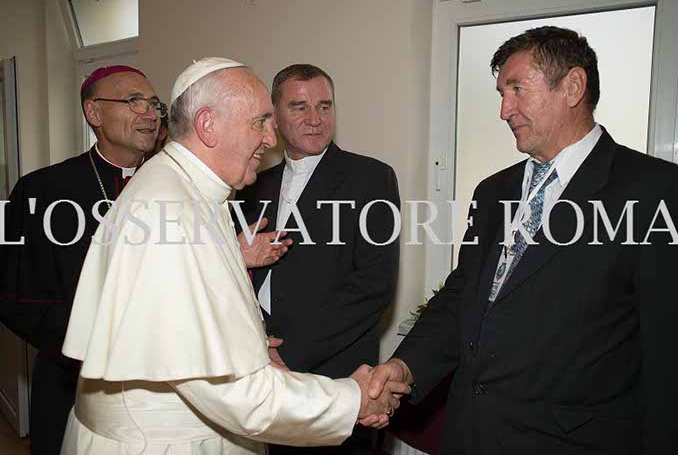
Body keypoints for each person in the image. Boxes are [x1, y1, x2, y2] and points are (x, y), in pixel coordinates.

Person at [368, 26, 678, 454]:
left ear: (573, 87)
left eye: (517, 89)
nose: (504, 110)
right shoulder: (493, 192)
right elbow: (463, 298)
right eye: (501, 93)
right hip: (469, 436)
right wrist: (405, 366)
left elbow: (675, 366)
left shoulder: (662, 193)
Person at [59, 57, 406, 455]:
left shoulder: (189, 190)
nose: (270, 139)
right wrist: (353, 399)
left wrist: (258, 344)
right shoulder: (170, 212)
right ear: (208, 125)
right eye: (260, 122)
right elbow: (236, 394)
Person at [236, 64, 400, 454]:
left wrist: (288, 352)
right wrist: (254, 344)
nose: (315, 119)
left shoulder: (371, 178)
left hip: (333, 373)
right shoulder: (251, 183)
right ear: (274, 116)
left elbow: (373, 284)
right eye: (299, 107)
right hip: (256, 369)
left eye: (324, 106)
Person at [0, 65, 164, 455]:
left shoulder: (176, 185)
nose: (150, 113)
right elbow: (14, 296)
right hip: (70, 376)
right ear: (94, 113)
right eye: (134, 101)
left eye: (154, 103)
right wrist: (89, 337)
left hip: (160, 382)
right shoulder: (40, 190)